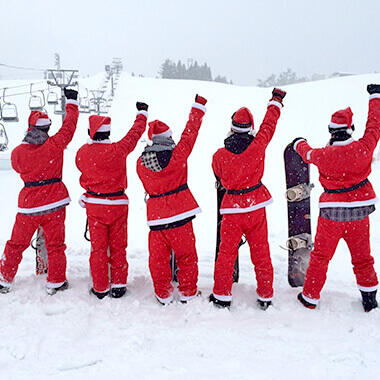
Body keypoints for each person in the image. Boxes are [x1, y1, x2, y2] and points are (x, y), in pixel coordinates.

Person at [293, 84, 380, 312]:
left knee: (321, 257)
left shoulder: (323, 155)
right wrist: (375, 96)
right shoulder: (363, 148)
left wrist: (298, 143)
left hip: (331, 215)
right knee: (362, 258)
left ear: (331, 130)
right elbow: (374, 127)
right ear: (350, 129)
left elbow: (307, 153)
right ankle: (369, 298)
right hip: (359, 215)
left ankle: (310, 297)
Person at [210, 88, 286, 309]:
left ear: (231, 128)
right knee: (261, 252)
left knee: (226, 254)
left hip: (232, 210)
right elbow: (269, 125)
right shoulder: (258, 145)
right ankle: (265, 295)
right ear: (250, 128)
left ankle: (222, 295)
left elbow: (218, 175)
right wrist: (276, 100)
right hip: (255, 206)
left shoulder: (219, 155)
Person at [0, 88, 79, 295]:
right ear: (47, 128)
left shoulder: (18, 153)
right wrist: (71, 102)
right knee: (55, 244)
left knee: (16, 243)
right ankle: (56, 280)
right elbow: (69, 126)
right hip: (54, 203)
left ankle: (4, 278)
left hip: (29, 206)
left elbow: (18, 168)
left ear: (29, 128)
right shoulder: (55, 145)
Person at [136, 94, 207, 305]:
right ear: (168, 137)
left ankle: (163, 294)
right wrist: (198, 107)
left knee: (158, 259)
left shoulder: (141, 163)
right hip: (181, 214)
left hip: (157, 218)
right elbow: (190, 133)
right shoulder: (178, 155)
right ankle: (188, 292)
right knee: (186, 256)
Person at [76, 102, 148, 299]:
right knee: (118, 246)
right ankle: (118, 285)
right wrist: (142, 114)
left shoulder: (82, 153)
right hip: (118, 204)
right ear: (108, 132)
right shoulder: (119, 149)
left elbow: (82, 170)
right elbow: (134, 135)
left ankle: (100, 287)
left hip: (95, 205)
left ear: (91, 132)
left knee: (98, 248)